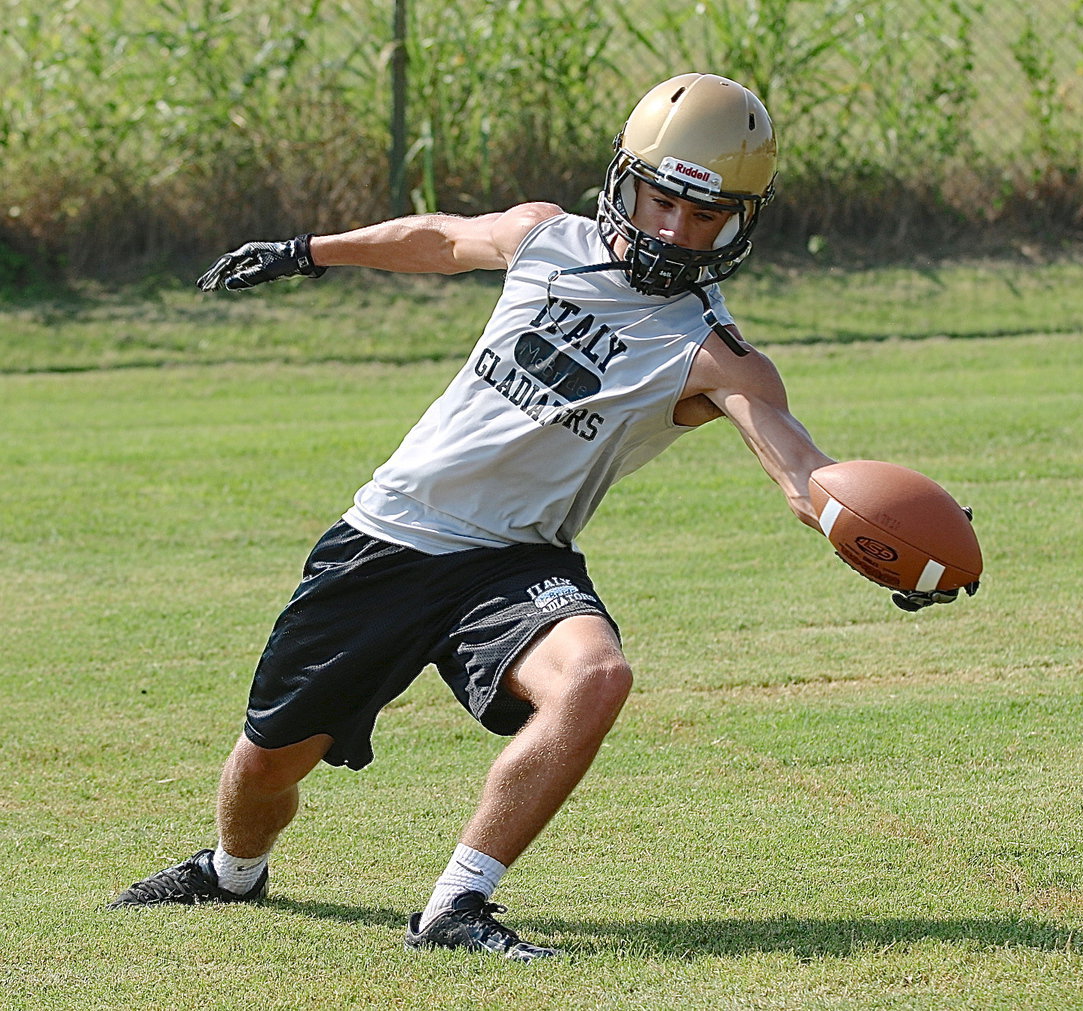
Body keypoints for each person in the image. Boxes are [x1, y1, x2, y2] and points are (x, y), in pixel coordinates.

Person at [107, 73, 966, 959]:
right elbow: (441, 238)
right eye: (662, 199)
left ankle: (455, 906)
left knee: (596, 676)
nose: (676, 229)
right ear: (625, 181)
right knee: (265, 766)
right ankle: (231, 871)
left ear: (741, 222)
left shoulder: (717, 356)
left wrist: (879, 537)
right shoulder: (544, 237)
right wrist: (306, 249)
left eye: (704, 215)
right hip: (388, 538)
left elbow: (803, 470)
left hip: (515, 563)